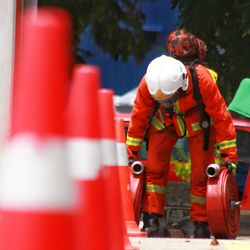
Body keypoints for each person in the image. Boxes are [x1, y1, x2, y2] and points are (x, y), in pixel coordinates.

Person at [126, 31, 237, 238]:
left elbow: (222, 118)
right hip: (164, 125)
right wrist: (130, 154)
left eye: (169, 98)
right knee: (155, 172)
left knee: (201, 176)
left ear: (182, 85)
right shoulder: (149, 81)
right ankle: (152, 220)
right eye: (163, 100)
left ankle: (201, 225)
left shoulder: (203, 80)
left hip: (198, 127)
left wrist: (229, 158)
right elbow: (139, 117)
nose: (166, 102)